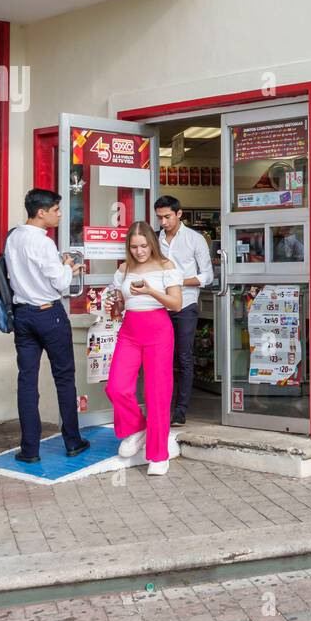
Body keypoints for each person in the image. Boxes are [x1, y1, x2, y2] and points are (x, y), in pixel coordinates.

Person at [5, 188, 88, 464]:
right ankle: (73, 442)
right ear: (41, 213)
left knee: (27, 380)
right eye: (56, 210)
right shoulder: (43, 243)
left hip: (22, 316)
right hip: (48, 315)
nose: (59, 214)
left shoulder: (12, 237)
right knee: (64, 378)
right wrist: (68, 268)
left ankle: (29, 449)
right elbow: (61, 284)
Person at [105, 221, 183, 475]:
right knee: (116, 387)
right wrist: (114, 304)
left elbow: (176, 304)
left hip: (158, 330)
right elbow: (120, 305)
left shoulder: (165, 266)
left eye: (143, 246)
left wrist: (150, 291)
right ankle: (138, 429)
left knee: (157, 393)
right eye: (134, 246)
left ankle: (159, 454)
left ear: (151, 243)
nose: (139, 251)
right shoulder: (123, 270)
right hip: (129, 331)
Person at [154, 196, 214, 427]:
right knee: (161, 357)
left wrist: (177, 282)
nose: (163, 222)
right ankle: (160, 407)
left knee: (184, 357)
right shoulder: (155, 239)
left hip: (185, 304)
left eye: (167, 216)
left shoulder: (194, 239)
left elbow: (207, 276)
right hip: (159, 304)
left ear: (179, 214)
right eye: (160, 217)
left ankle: (180, 410)